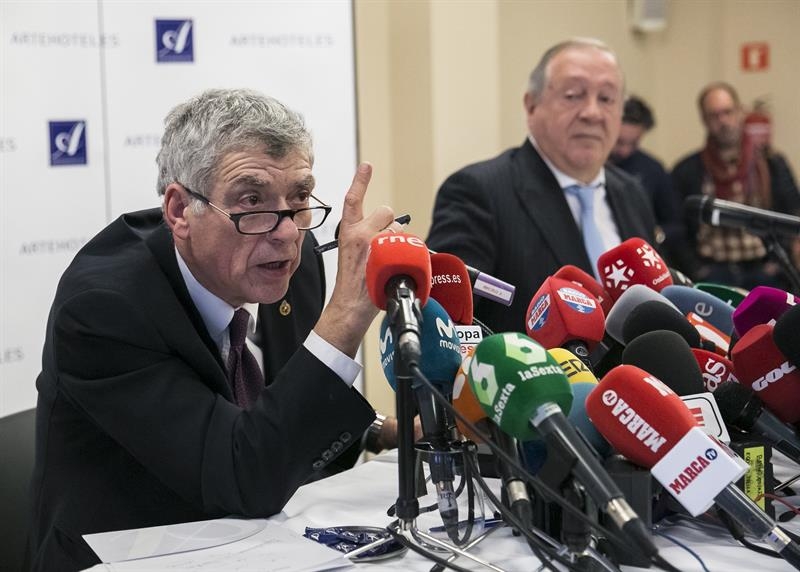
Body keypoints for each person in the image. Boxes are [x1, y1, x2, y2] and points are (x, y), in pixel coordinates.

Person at [28, 88, 402, 571]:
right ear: (181, 211)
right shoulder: (104, 309)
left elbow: (282, 420)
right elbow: (244, 478)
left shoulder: (289, 263)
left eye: (300, 197)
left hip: (255, 545)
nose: (287, 231)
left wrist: (386, 432)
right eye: (253, 200)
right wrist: (345, 319)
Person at [426, 38, 655, 334]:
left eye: (607, 99)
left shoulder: (632, 193)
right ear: (531, 105)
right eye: (573, 95)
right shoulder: (479, 192)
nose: (592, 113)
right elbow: (445, 323)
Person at [671, 81, 800, 289]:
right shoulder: (687, 170)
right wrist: (695, 268)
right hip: (713, 272)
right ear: (704, 120)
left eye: (728, 112)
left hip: (764, 270)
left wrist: (778, 262)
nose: (723, 121)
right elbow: (675, 225)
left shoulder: (771, 163)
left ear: (740, 112)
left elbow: (792, 211)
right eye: (714, 115)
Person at [610, 95, 685, 268]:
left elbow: (676, 223)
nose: (624, 151)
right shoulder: (591, 167)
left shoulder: (652, 169)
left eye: (634, 143)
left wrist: (655, 234)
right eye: (619, 142)